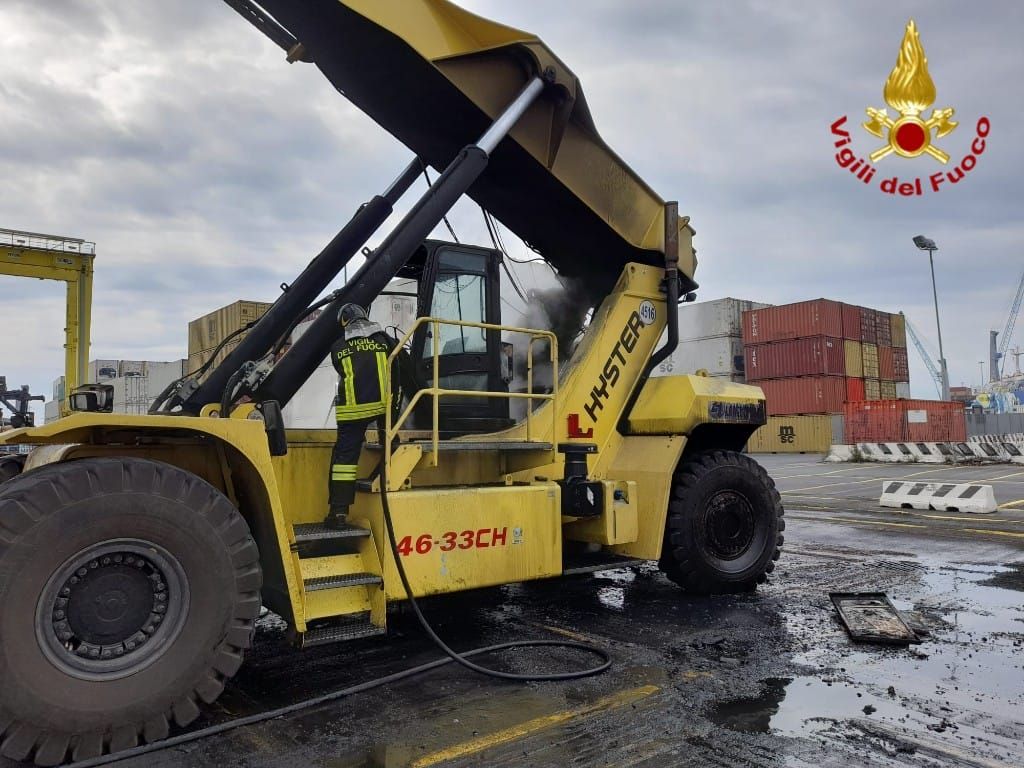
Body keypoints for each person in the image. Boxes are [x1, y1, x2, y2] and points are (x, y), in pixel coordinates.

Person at [327, 304, 396, 529]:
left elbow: (341, 368)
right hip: (381, 408)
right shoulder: (384, 341)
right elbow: (400, 366)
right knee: (390, 444)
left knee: (344, 461)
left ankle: (338, 512)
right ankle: (383, 477)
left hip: (351, 413)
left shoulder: (338, 346)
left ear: (345, 321)